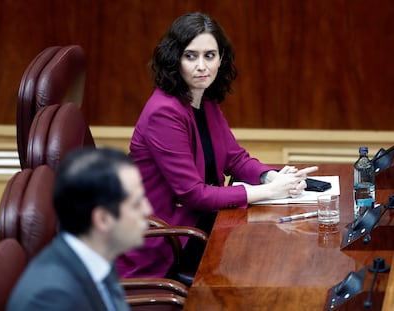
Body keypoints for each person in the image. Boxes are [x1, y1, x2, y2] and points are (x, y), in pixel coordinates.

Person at [117, 12, 317, 281]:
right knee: (262, 265)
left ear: (221, 58)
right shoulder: (163, 113)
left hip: (202, 224)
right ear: (175, 59)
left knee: (280, 248)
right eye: (191, 56)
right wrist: (268, 191)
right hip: (169, 241)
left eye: (209, 56)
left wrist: (271, 176)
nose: (202, 66)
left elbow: (235, 158)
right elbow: (194, 194)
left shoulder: (204, 99)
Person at [7, 147, 152, 311]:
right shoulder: (53, 298)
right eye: (137, 203)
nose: (148, 210)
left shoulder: (98, 256)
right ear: (103, 219)